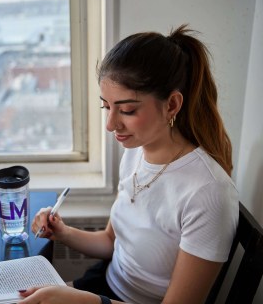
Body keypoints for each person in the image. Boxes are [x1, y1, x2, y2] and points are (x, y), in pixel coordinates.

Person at [18, 24, 239, 304]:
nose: (111, 124)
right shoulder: (135, 153)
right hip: (104, 285)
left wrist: (84, 300)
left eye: (127, 110)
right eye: (106, 107)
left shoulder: (209, 192)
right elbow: (112, 241)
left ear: (172, 105)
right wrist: (63, 233)